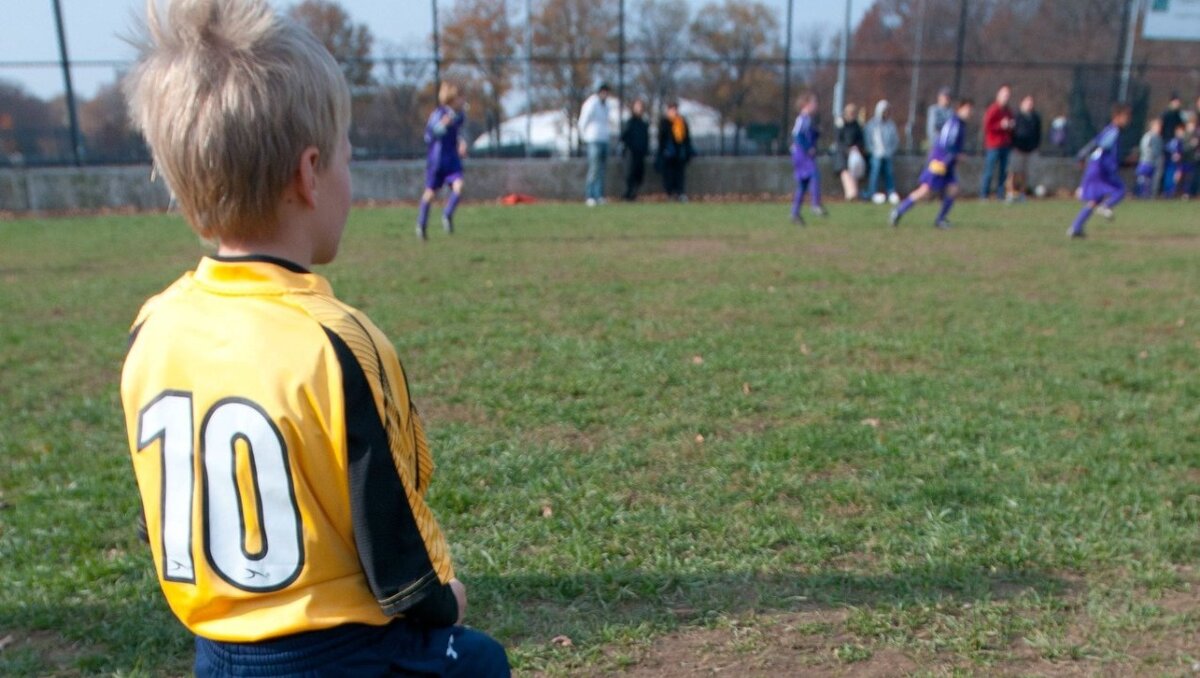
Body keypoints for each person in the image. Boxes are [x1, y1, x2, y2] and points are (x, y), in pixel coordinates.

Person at [119, 2, 511, 676]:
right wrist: (443, 601)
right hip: (337, 654)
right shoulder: (338, 341)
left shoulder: (151, 328)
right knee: (479, 661)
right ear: (309, 174)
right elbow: (392, 523)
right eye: (346, 161)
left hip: (215, 655)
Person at [889, 98, 974, 230]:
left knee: (953, 189)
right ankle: (899, 211)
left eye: (971, 109)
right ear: (960, 109)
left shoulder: (960, 124)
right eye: (968, 109)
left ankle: (940, 220)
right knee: (925, 191)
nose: (970, 112)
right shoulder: (954, 123)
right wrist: (954, 157)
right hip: (940, 162)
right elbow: (946, 143)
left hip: (948, 163)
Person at [1068, 104, 1131, 239]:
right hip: (1101, 168)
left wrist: (1082, 155)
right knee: (1120, 190)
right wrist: (1083, 156)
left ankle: (1076, 227)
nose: (1128, 120)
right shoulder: (1114, 132)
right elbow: (1100, 146)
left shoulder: (1109, 130)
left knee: (1094, 199)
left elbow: (1095, 143)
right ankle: (1106, 206)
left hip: (1096, 167)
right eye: (1126, 117)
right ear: (1117, 117)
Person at [417, 82, 468, 240]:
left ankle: (447, 215)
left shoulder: (458, 115)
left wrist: (461, 143)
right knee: (430, 193)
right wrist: (442, 126)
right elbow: (429, 135)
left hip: (452, 160)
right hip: (437, 161)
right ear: (453, 98)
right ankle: (422, 225)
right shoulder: (438, 114)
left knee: (459, 187)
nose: (463, 100)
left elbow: (455, 133)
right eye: (460, 97)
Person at [789, 93, 828, 224]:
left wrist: (817, 132)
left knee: (803, 184)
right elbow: (797, 136)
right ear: (806, 104)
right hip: (801, 154)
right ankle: (815, 204)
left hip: (803, 154)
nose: (816, 105)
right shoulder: (802, 118)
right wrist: (807, 148)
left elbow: (810, 135)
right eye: (814, 102)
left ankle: (795, 213)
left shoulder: (809, 120)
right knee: (814, 174)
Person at [579, 82, 612, 206]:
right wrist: (584, 136)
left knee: (602, 169)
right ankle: (590, 195)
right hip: (593, 139)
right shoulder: (591, 103)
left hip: (604, 139)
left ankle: (599, 195)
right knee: (594, 168)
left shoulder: (607, 105)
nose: (605, 94)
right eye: (603, 91)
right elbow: (583, 120)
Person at [980, 84, 1014, 199]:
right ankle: (984, 195)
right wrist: (1000, 125)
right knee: (989, 171)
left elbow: (1010, 125)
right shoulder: (993, 109)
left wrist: (1010, 126)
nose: (1006, 98)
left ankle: (1000, 195)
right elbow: (987, 126)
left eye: (1008, 95)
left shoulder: (1008, 111)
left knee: (1003, 172)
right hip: (994, 145)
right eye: (1004, 95)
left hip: (1005, 145)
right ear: (998, 95)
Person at [656, 100, 694, 201]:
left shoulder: (681, 122)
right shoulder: (664, 122)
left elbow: (685, 137)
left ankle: (680, 192)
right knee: (668, 174)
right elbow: (661, 138)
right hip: (668, 152)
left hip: (679, 152)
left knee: (679, 173)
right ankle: (670, 193)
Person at [864, 99, 899, 204]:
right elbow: (868, 140)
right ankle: (872, 192)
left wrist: (890, 151)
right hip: (875, 154)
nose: (886, 113)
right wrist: (873, 151)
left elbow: (895, 140)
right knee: (876, 168)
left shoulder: (891, 125)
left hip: (888, 154)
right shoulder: (872, 125)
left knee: (889, 170)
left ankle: (891, 191)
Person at [1007, 95, 1041, 202]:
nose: (1029, 105)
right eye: (1027, 103)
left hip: (1030, 149)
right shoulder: (1016, 116)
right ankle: (1010, 193)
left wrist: (1035, 146)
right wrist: (1014, 145)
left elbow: (1038, 133)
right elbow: (1012, 132)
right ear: (1022, 103)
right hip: (1017, 149)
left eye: (1031, 103)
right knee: (1013, 172)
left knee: (1024, 173)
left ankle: (1022, 193)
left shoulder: (1035, 117)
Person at [620, 98, 650, 201]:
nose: (640, 109)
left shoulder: (644, 123)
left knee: (638, 175)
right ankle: (627, 195)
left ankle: (633, 194)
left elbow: (646, 138)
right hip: (631, 152)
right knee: (629, 174)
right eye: (638, 107)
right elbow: (624, 136)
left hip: (640, 153)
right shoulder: (630, 122)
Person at [834, 102, 866, 200]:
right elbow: (839, 141)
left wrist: (856, 148)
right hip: (842, 155)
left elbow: (861, 140)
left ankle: (853, 194)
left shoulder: (856, 125)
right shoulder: (840, 124)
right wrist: (847, 150)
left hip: (855, 155)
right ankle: (851, 194)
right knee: (845, 170)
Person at [1135, 118, 1163, 199]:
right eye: (1157, 126)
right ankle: (1141, 195)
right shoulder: (1148, 136)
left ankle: (1150, 196)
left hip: (1155, 162)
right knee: (1143, 180)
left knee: (1154, 181)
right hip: (1146, 162)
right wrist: (1151, 155)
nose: (1159, 128)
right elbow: (1145, 148)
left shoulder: (1158, 138)